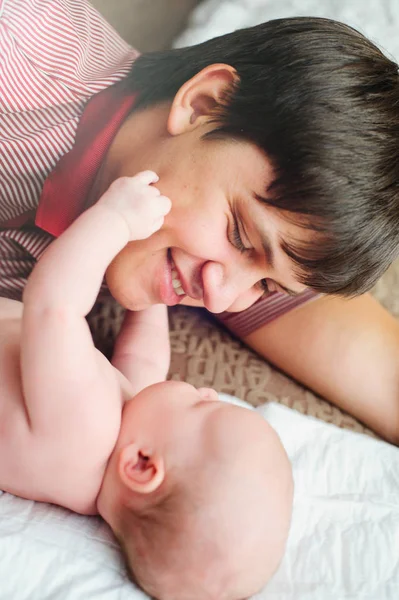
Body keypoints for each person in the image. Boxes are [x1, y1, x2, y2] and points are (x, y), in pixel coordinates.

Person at [1, 0, 399, 444]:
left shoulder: (209, 236)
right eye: (238, 235)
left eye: (265, 286)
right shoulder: (17, 55)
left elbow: (374, 368)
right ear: (202, 104)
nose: (218, 296)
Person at [0, 170, 294, 600]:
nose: (207, 390)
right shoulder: (124, 429)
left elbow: (53, 305)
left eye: (204, 407)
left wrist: (115, 222)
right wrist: (153, 297)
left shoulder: (84, 433)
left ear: (141, 465)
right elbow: (142, 358)